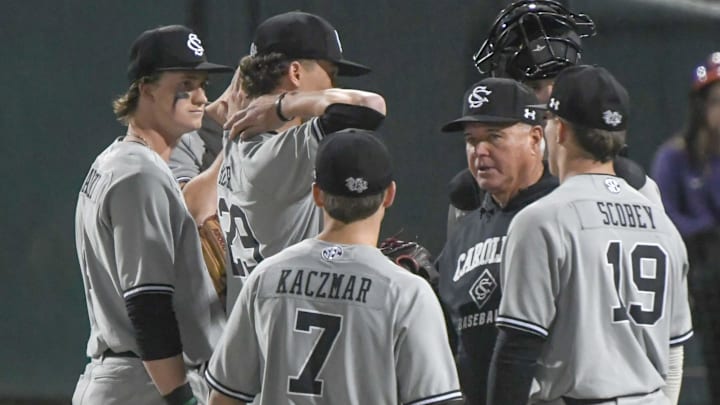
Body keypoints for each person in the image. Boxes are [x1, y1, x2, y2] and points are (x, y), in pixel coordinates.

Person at [205, 129, 463, 405]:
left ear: (317, 194)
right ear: (389, 195)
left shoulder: (266, 277)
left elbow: (223, 398)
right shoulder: (406, 292)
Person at [488, 65, 693, 405]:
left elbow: (516, 352)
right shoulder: (662, 225)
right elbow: (674, 352)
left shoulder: (542, 219)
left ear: (561, 131)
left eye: (548, 122)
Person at [72, 25, 232, 405]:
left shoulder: (117, 160)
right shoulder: (140, 175)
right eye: (186, 83)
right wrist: (179, 397)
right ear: (146, 88)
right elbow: (149, 304)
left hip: (129, 377)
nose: (200, 97)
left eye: (202, 84)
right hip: (147, 385)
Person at [446, 0, 661, 236]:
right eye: (534, 85)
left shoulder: (625, 178)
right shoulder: (473, 188)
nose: (550, 97)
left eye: (559, 81)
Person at [216, 11, 386, 308]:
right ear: (295, 73)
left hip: (257, 324)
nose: (334, 85)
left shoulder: (235, 138)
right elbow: (370, 108)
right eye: (330, 73)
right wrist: (285, 104)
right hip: (292, 327)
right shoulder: (277, 154)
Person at [435, 77, 557, 405]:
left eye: (494, 137)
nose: (480, 151)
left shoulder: (562, 214)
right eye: (471, 140)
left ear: (535, 138)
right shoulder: (465, 231)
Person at [651, 51, 720, 401]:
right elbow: (663, 216)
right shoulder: (676, 157)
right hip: (700, 276)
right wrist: (705, 228)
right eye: (717, 102)